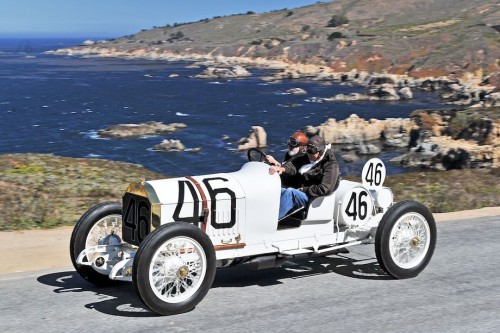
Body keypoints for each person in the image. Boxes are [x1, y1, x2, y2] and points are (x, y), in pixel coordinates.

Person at [269, 135, 340, 219]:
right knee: (277, 190)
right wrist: (282, 169)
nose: (309, 156)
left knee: (290, 193)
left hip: (313, 198)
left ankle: (271, 221)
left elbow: (325, 188)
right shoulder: (308, 156)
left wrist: (304, 190)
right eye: (308, 153)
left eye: (312, 154)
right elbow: (294, 165)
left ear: (320, 152)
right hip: (303, 192)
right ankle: (260, 213)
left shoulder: (330, 165)